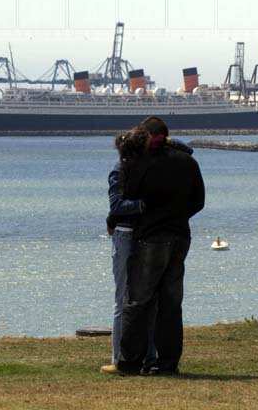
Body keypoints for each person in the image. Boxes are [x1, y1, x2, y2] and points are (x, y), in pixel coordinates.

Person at [117, 116, 205, 377]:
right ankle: (168, 362)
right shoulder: (188, 162)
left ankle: (131, 361)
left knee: (138, 300)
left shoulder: (141, 163)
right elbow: (199, 201)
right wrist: (178, 215)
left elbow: (129, 195)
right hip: (180, 236)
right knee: (171, 303)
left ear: (145, 136)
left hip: (151, 237)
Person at [100, 127, 156, 375]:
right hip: (125, 233)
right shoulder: (120, 170)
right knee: (123, 298)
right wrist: (145, 205)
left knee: (145, 298)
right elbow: (117, 204)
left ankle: (145, 357)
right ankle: (119, 357)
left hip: (140, 234)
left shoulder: (147, 168)